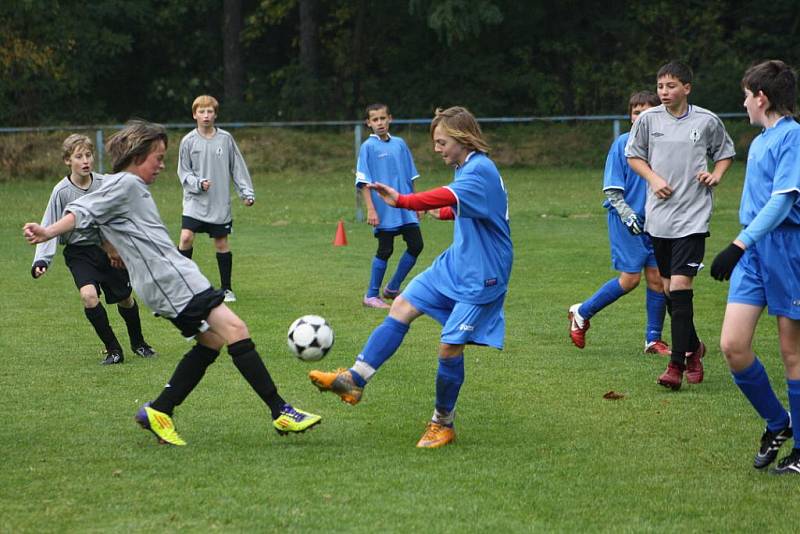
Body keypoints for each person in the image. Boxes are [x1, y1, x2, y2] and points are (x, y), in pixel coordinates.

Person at [23, 120, 320, 446]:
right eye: (158, 158)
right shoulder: (126, 184)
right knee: (236, 331)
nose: (163, 166)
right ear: (137, 156)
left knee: (212, 341)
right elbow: (80, 210)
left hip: (171, 279)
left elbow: (106, 222)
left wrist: (118, 247)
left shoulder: (124, 185)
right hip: (170, 281)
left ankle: (161, 410)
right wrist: (48, 232)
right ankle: (281, 411)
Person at [310, 106, 512, 448]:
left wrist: (405, 201)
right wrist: (447, 212)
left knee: (449, 347)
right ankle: (355, 380)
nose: (437, 149)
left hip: (484, 274)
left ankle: (442, 423)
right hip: (456, 263)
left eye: (441, 142)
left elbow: (451, 194)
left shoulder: (480, 169)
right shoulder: (468, 167)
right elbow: (470, 205)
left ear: (462, 139)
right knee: (402, 304)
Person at [710, 60, 800, 474]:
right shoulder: (761, 140)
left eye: (746, 95)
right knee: (733, 345)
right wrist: (744, 245)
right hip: (754, 251)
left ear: (761, 97)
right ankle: (778, 423)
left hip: (786, 250)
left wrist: (736, 244)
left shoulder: (793, 136)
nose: (743, 102)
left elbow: (782, 202)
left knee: (792, 353)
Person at [626, 60, 735, 390]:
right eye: (660, 86)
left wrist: (715, 175)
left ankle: (676, 365)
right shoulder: (647, 120)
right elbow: (634, 156)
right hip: (659, 219)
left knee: (680, 287)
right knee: (669, 289)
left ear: (686, 88)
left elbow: (725, 152)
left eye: (670, 86)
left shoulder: (706, 121)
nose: (664, 92)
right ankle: (695, 348)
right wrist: (654, 178)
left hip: (693, 217)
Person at [31, 134, 155, 365]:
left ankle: (139, 343)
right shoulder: (61, 191)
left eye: (88, 155)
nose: (85, 160)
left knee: (125, 299)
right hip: (79, 253)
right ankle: (113, 350)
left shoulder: (104, 183)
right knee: (88, 296)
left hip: (109, 250)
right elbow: (48, 225)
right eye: (79, 157)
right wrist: (42, 260)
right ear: (68, 161)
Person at [569, 91, 670, 356]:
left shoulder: (664, 145)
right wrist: (628, 215)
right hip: (625, 220)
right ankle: (581, 312)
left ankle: (653, 340)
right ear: (630, 115)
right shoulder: (623, 144)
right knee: (630, 279)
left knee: (657, 279)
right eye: (636, 112)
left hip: (656, 223)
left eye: (647, 112)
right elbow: (612, 191)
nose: (641, 117)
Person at [177, 95, 255, 303]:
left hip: (219, 203)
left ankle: (226, 289)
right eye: (201, 112)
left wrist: (246, 193)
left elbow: (237, 168)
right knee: (185, 237)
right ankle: (183, 285)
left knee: (221, 243)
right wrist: (197, 183)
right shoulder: (188, 141)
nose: (205, 115)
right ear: (195, 115)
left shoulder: (225, 139)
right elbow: (183, 172)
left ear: (215, 114)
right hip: (194, 201)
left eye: (209, 111)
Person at [356, 103, 424, 308]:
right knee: (385, 250)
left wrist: (417, 203)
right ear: (368, 123)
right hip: (384, 209)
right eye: (375, 120)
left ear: (390, 119)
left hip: (405, 205)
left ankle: (393, 288)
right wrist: (371, 208)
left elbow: (410, 176)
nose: (380, 123)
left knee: (416, 245)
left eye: (382, 118)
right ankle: (371, 295)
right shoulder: (368, 147)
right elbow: (363, 182)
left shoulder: (400, 144)